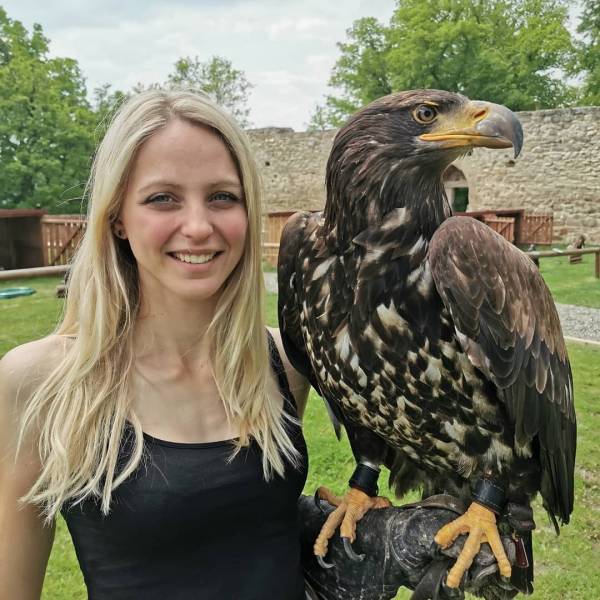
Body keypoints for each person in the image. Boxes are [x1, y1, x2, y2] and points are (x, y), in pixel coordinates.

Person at [0, 89, 310, 599]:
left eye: (222, 197)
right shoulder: (42, 381)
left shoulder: (283, 362)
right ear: (117, 217)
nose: (197, 226)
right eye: (162, 198)